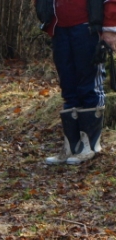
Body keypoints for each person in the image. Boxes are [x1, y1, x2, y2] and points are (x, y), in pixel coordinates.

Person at [36, 0, 116, 164]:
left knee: (89, 85)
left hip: (88, 27)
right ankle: (71, 145)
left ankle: (90, 146)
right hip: (59, 28)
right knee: (68, 87)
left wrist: (110, 27)